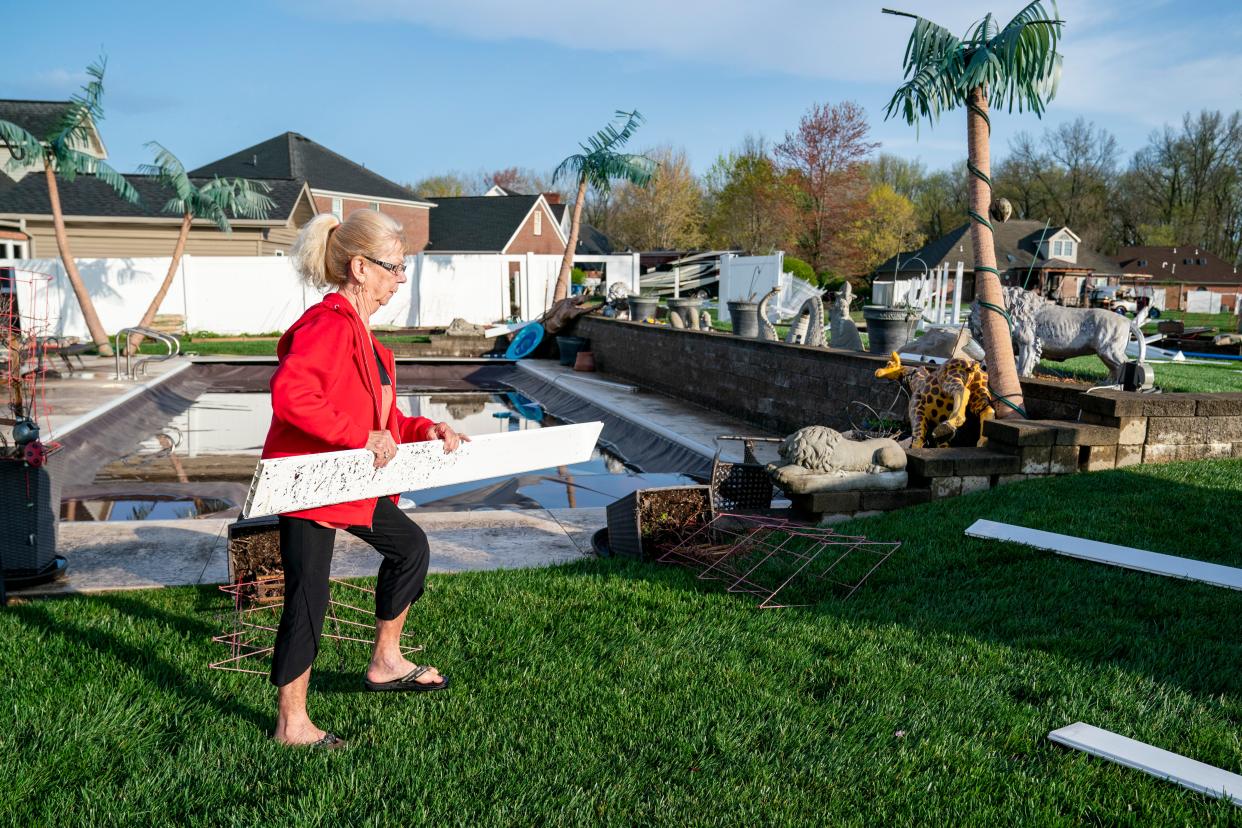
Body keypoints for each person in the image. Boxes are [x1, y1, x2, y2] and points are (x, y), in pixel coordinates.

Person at [262, 209, 468, 748]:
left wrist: (427, 429)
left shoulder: (367, 341)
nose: (401, 278)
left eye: (403, 268)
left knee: (410, 547)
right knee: (308, 598)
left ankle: (384, 660)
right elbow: (291, 396)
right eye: (394, 267)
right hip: (310, 483)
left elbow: (386, 424)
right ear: (359, 267)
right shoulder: (327, 325)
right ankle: (292, 724)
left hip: (351, 482)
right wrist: (358, 435)